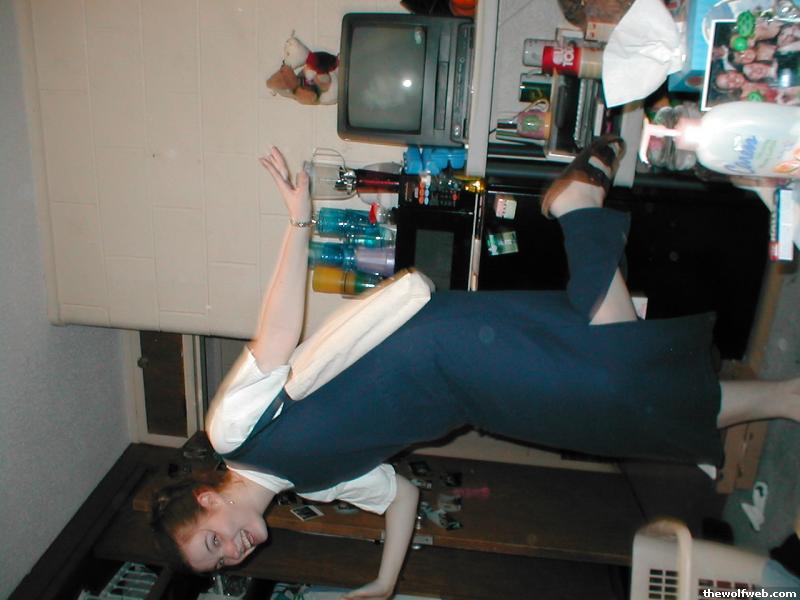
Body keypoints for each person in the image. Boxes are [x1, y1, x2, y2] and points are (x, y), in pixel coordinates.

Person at [151, 140, 800, 600]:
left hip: (446, 347)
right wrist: (384, 582)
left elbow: (277, 335)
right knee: (610, 376)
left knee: (617, 392)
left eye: (213, 543)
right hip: (475, 400)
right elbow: (401, 497)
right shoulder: (314, 487)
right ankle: (580, 208)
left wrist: (299, 217)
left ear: (206, 501)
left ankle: (778, 394)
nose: (234, 553)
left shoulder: (233, 432)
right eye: (222, 563)